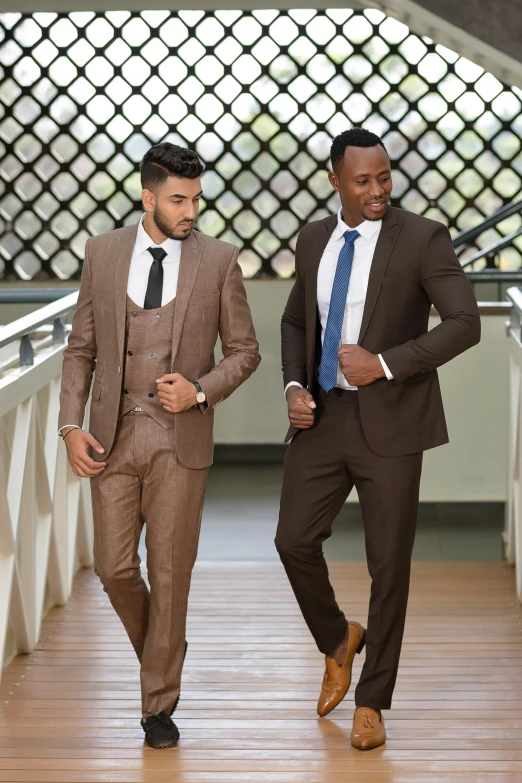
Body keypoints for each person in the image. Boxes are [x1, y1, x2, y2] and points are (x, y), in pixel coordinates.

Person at [275, 127, 480, 750]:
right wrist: (292, 386)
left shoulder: (421, 237)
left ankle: (373, 700)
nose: (377, 191)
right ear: (334, 180)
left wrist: (384, 363)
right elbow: (293, 319)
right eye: (362, 180)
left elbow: (464, 323)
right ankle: (338, 640)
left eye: (384, 177)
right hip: (323, 417)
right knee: (292, 541)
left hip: (392, 420)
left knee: (389, 566)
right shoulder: (314, 238)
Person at [58, 142, 260, 749]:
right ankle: (163, 647)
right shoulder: (103, 253)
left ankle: (158, 708)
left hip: (180, 441)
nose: (190, 210)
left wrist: (200, 390)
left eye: (196, 198)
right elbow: (80, 350)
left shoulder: (220, 261)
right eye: (178, 199)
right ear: (148, 197)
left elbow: (245, 352)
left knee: (170, 575)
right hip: (111, 437)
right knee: (116, 568)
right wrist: (70, 426)